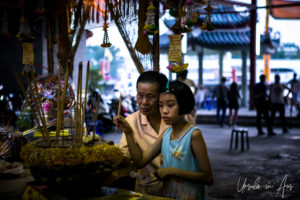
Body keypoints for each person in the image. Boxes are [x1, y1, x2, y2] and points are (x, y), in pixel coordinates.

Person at [114, 80, 213, 200]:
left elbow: (208, 177)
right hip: (169, 195)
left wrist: (172, 171)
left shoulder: (193, 135)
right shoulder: (167, 134)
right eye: (161, 105)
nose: (164, 111)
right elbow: (140, 162)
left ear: (183, 105)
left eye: (170, 105)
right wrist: (128, 132)